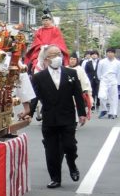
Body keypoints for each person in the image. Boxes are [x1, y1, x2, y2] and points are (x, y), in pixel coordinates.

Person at [22, 45, 87, 188]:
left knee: (70, 146)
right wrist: (29, 114)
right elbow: (35, 98)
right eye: (53, 55)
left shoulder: (71, 73)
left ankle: (72, 164)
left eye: (59, 54)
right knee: (51, 150)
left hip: (68, 116)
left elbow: (78, 95)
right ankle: (55, 178)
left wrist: (82, 114)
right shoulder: (39, 77)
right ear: (46, 59)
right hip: (50, 118)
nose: (57, 57)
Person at [97, 47, 119, 118]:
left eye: (111, 52)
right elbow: (99, 72)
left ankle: (113, 112)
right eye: (108, 52)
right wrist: (101, 79)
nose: (109, 54)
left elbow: (119, 73)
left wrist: (118, 83)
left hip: (113, 80)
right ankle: (104, 109)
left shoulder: (118, 63)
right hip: (104, 80)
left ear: (114, 54)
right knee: (102, 95)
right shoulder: (102, 62)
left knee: (113, 97)